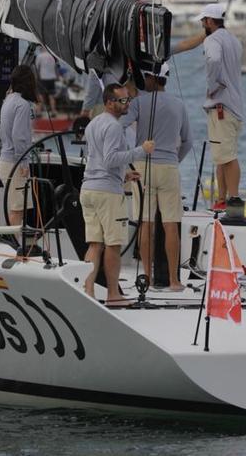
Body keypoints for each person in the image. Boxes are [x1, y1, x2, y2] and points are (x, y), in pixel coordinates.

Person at [119, 63, 192, 291]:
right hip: (170, 166)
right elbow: (188, 141)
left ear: (151, 78)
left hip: (144, 166)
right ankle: (173, 280)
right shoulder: (179, 105)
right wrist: (174, 160)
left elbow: (119, 125)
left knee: (146, 224)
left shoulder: (139, 102)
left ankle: (147, 278)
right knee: (171, 224)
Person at [81, 83, 155, 306]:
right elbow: (110, 159)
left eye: (128, 100)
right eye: (122, 100)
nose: (127, 104)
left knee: (94, 244)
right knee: (113, 244)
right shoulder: (113, 127)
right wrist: (142, 150)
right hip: (107, 194)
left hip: (89, 188)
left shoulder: (93, 124)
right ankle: (113, 294)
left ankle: (88, 290)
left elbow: (100, 161)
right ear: (109, 102)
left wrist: (123, 175)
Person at [200, 3, 244, 211]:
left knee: (227, 156)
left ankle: (233, 200)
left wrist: (212, 86)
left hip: (221, 108)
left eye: (203, 21)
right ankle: (222, 199)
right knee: (221, 156)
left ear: (209, 21)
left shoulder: (212, 40)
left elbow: (215, 59)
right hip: (234, 106)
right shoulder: (234, 41)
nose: (202, 24)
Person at [0, 65, 37, 227]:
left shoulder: (8, 100)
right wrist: (23, 162)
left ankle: (11, 244)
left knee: (14, 207)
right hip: (15, 162)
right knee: (18, 209)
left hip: (5, 160)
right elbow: (19, 136)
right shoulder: (22, 105)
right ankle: (13, 247)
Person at [34, 45, 59, 114]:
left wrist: (36, 78)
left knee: (41, 95)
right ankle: (54, 111)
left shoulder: (39, 56)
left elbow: (37, 68)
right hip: (52, 78)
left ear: (42, 48)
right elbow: (56, 67)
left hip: (43, 78)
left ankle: (39, 111)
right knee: (51, 96)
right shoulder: (53, 56)